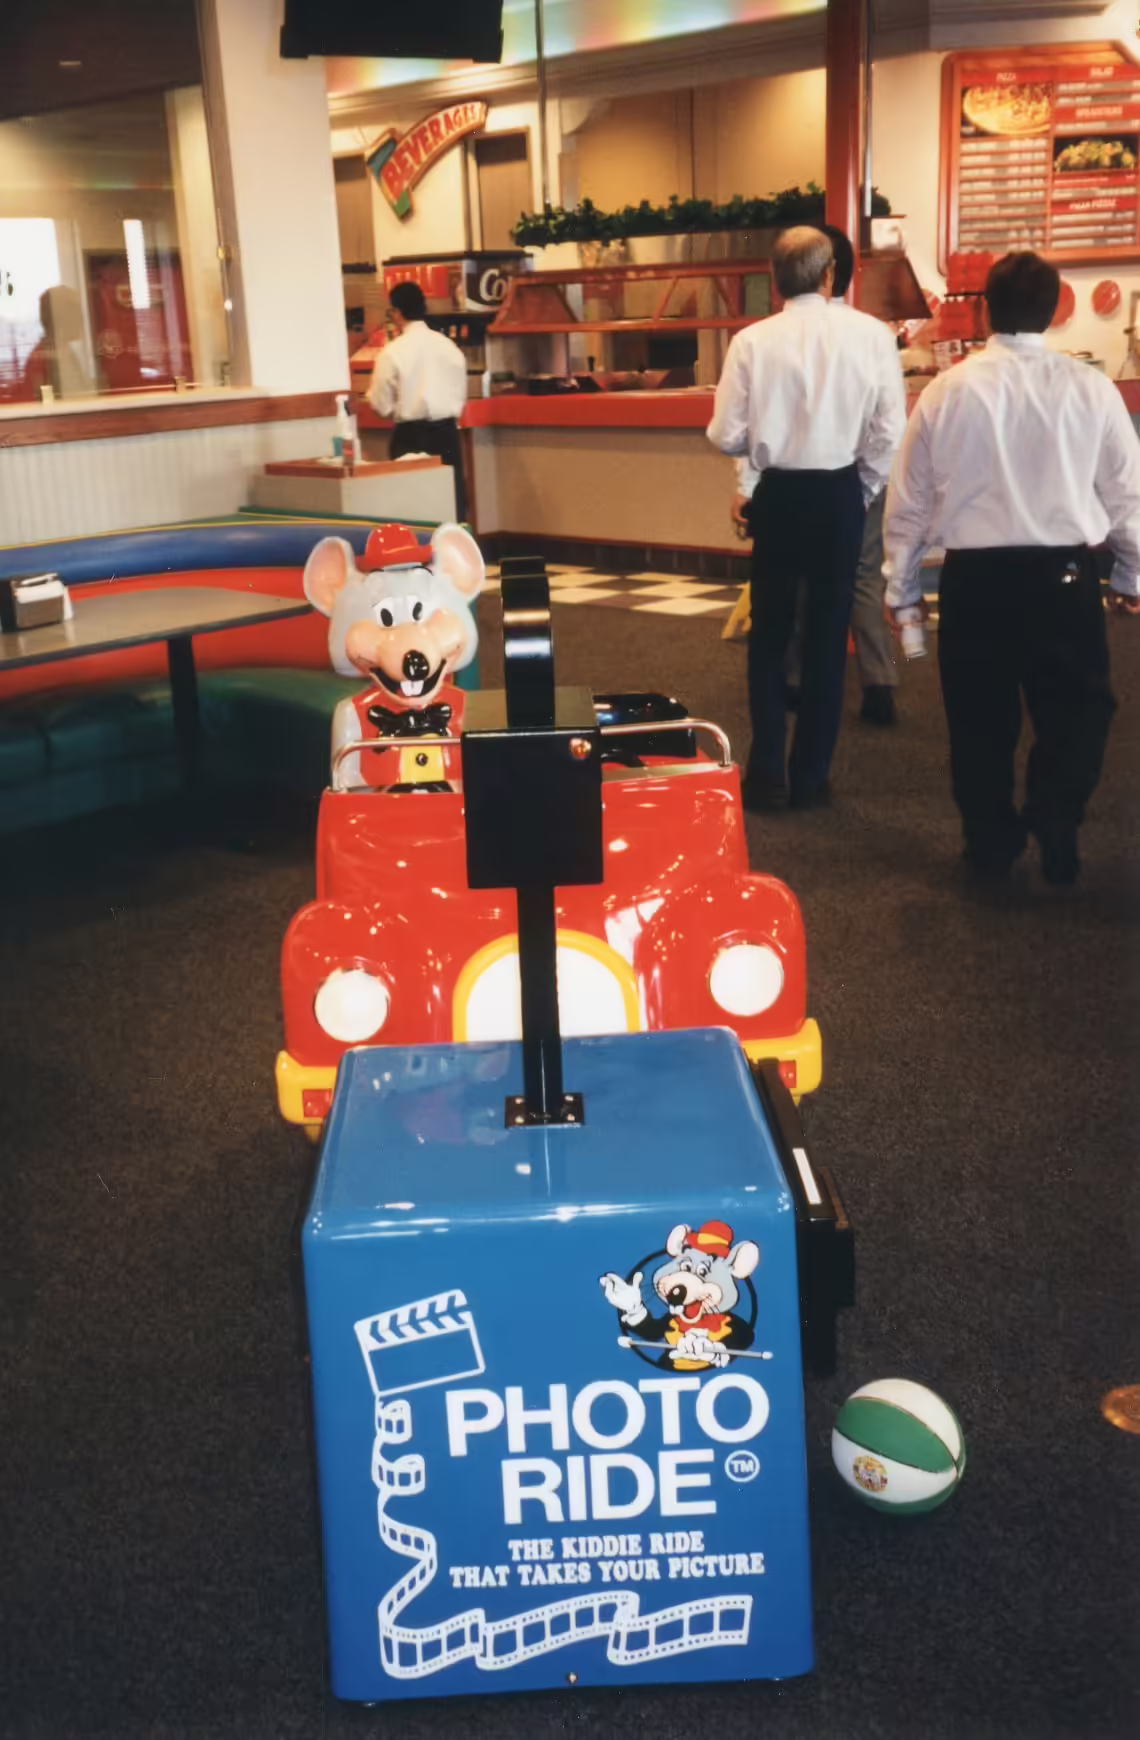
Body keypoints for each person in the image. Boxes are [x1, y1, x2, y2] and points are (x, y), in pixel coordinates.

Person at [883, 250, 1140, 885]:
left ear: (984, 311)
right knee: (1079, 712)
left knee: (978, 719)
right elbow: (1127, 495)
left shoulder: (947, 391)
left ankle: (991, 843)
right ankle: (1056, 818)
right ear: (1052, 312)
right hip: (1065, 578)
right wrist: (1131, 576)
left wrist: (902, 589)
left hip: (976, 582)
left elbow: (909, 502)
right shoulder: (1091, 389)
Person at [709, 226, 906, 807]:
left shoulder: (750, 341)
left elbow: (725, 434)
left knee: (770, 636)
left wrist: (759, 455)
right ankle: (812, 776)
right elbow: (889, 431)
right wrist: (862, 487)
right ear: (829, 275)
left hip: (779, 494)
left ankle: (767, 774)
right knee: (826, 634)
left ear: (775, 280)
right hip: (839, 491)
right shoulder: (872, 336)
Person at [367, 282, 469, 520]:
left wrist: (396, 409)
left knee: (411, 507)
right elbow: (460, 394)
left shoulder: (393, 352)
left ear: (396, 313)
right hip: (447, 434)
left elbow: (380, 403)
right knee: (451, 503)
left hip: (410, 436)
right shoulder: (449, 347)